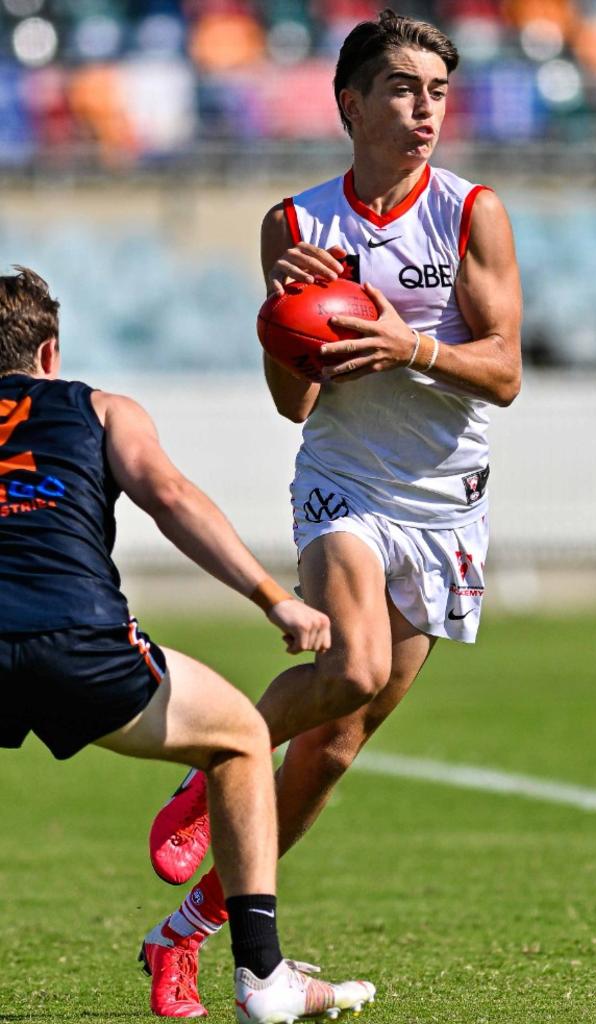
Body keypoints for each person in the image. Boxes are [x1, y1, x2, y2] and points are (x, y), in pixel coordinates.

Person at [145, 7, 522, 1017]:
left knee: (339, 744)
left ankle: (185, 931)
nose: (425, 108)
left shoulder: (469, 211)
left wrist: (414, 347)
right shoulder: (300, 224)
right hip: (344, 481)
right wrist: (282, 317)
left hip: (447, 501)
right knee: (348, 666)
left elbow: (506, 372)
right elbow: (293, 400)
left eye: (438, 91)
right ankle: (211, 768)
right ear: (350, 101)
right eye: (403, 88)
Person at [0, 267, 375, 1024]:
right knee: (239, 739)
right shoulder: (100, 408)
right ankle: (263, 978)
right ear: (49, 355)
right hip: (77, 638)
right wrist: (274, 598)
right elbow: (168, 497)